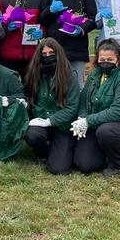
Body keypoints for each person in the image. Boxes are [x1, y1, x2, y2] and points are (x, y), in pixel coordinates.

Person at [69, 39, 120, 177]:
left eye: (110, 59)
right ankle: (103, 151)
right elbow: (83, 99)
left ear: (118, 60)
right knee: (85, 164)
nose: (105, 62)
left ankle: (116, 163)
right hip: (96, 123)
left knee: (107, 132)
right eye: (102, 59)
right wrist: (82, 116)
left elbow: (119, 112)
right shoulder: (94, 74)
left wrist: (88, 120)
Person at [38, 0, 97, 88]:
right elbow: (41, 19)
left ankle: (79, 109)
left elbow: (93, 17)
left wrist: (81, 29)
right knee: (55, 83)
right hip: (54, 44)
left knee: (77, 83)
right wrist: (50, 10)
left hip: (77, 45)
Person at [22, 38, 81, 174]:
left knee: (59, 169)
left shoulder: (69, 76)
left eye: (51, 53)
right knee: (32, 135)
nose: (48, 57)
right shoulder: (33, 74)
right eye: (44, 54)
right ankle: (42, 152)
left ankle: (63, 148)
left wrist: (50, 121)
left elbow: (72, 107)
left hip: (63, 127)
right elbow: (29, 99)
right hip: (40, 122)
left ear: (58, 54)